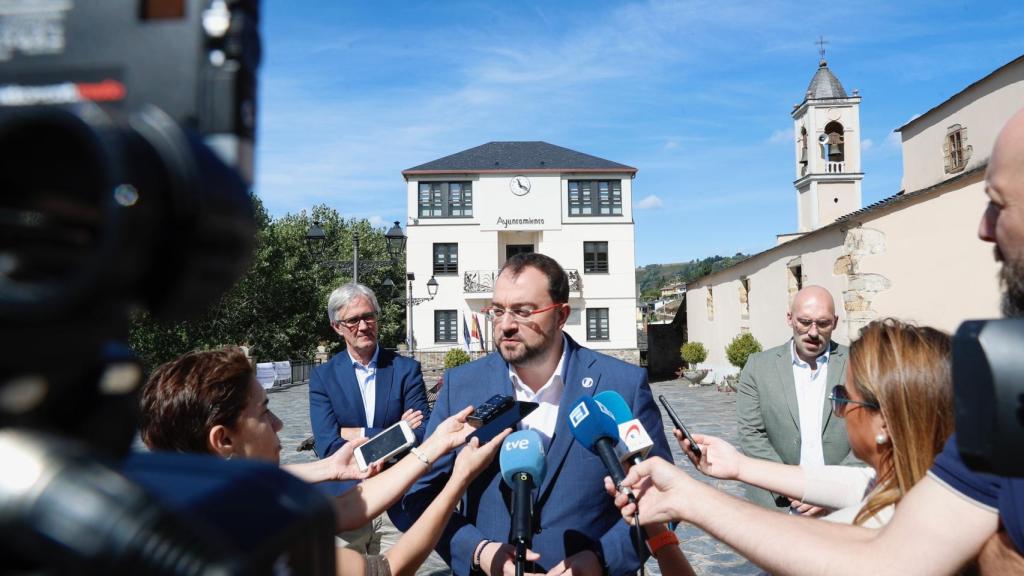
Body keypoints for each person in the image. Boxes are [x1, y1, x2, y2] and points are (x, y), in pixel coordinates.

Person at [608, 108, 1024, 575]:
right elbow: (865, 490)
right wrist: (736, 468)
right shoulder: (1002, 405)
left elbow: (877, 546)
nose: (983, 227)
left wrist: (688, 505)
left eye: (999, 203)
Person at [394, 252, 673, 576]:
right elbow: (420, 495)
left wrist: (600, 560)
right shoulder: (462, 388)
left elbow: (665, 497)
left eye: (524, 312)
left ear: (561, 315)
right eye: (498, 311)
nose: (507, 324)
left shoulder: (621, 385)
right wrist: (478, 551)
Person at [139, 346, 512, 576]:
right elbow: (387, 568)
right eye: (264, 413)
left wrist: (433, 446)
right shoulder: (252, 533)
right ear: (223, 440)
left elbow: (348, 508)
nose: (279, 423)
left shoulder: (186, 512)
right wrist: (457, 481)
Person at [685, 319, 953, 528]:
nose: (840, 411)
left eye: (843, 398)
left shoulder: (873, 526)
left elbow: (789, 546)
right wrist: (738, 465)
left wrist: (688, 504)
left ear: (884, 424)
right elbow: (850, 482)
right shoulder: (928, 485)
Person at [309, 283, 431, 553]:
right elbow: (329, 445)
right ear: (336, 327)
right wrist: (398, 430)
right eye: (353, 320)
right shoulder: (323, 377)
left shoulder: (405, 370)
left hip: (397, 498)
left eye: (369, 316)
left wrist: (355, 432)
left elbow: (422, 434)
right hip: (347, 500)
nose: (363, 326)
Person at [736, 285, 856, 514]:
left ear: (836, 322)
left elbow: (873, 437)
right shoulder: (758, 367)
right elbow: (751, 435)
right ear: (790, 319)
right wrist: (791, 486)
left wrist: (832, 491)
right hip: (776, 504)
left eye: (823, 323)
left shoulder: (859, 363)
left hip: (841, 508)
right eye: (804, 321)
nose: (813, 332)